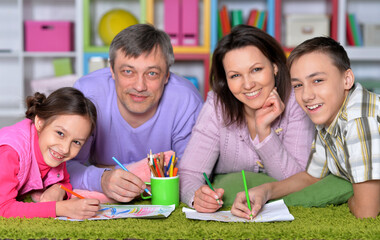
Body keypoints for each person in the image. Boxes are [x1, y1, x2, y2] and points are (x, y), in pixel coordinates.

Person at [231, 36, 380, 219]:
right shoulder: (330, 116)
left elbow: (367, 212)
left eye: (317, 80)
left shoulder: (359, 121)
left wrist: (350, 195)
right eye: (298, 85)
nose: (307, 95)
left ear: (347, 79)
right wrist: (264, 191)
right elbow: (312, 177)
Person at [178, 25, 315, 213]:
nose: (248, 84)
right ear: (226, 80)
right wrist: (197, 197)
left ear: (275, 66)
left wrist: (264, 132)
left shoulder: (296, 101)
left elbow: (298, 179)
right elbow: (189, 173)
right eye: (235, 75)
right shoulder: (217, 105)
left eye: (256, 69)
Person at [67, 24, 203, 203]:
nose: (139, 86)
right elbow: (63, 165)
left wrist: (106, 169)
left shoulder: (186, 100)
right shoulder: (88, 93)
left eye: (152, 73)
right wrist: (102, 178)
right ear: (112, 71)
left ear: (167, 76)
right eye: (128, 72)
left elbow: (192, 173)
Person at [0, 87, 100, 219]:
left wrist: (58, 189)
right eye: (60, 133)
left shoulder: (52, 150)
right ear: (40, 122)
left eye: (76, 142)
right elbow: (4, 208)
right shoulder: (9, 151)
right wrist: (60, 208)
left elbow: (64, 181)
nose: (65, 149)